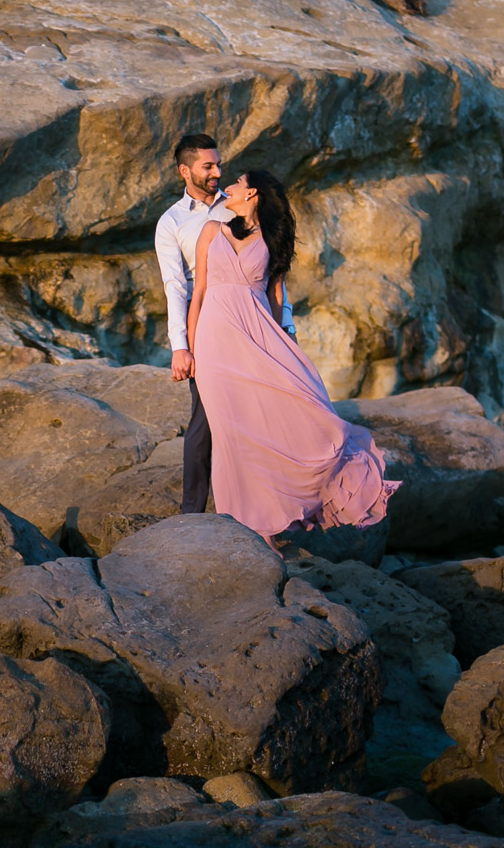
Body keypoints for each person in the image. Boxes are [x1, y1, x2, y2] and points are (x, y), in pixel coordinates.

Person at [186, 170, 398, 544]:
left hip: (257, 335)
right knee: (231, 433)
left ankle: (275, 518)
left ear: (251, 192)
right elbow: (198, 293)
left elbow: (275, 299)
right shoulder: (209, 231)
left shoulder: (271, 241)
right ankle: (249, 529)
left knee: (282, 416)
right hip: (214, 343)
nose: (228, 186)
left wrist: (287, 339)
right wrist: (187, 348)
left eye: (235, 182)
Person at [153, 133, 296, 515]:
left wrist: (287, 330)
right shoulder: (172, 223)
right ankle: (192, 513)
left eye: (219, 164)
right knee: (206, 418)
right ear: (185, 171)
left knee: (261, 414)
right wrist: (181, 346)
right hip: (211, 327)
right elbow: (178, 287)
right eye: (208, 166)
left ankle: (266, 505)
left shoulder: (239, 205)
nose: (218, 172)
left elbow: (273, 275)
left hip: (253, 327)